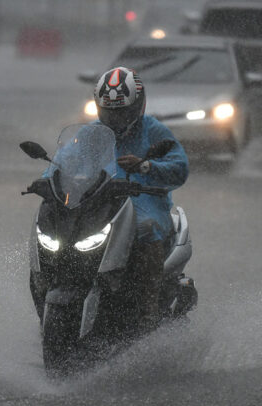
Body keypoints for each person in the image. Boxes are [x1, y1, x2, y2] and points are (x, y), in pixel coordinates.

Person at [93, 66, 189, 329]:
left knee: (145, 228)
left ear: (138, 105)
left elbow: (180, 167)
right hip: (100, 205)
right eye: (110, 111)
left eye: (122, 111)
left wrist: (146, 167)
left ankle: (147, 308)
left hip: (146, 203)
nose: (116, 118)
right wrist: (47, 179)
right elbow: (65, 161)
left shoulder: (154, 131)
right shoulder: (91, 133)